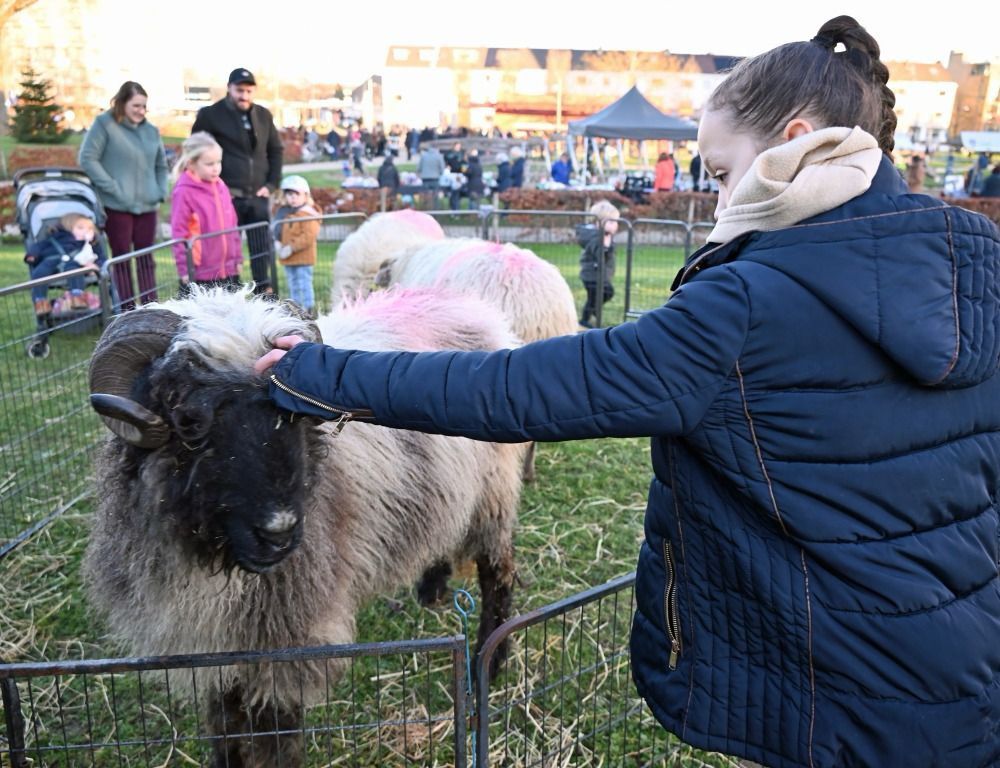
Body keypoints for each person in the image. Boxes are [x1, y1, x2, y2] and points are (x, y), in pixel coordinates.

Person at [254, 16, 1000, 768]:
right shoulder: (973, 263)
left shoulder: (747, 304)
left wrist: (324, 372)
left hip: (838, 685)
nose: (715, 201)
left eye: (718, 172)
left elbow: (523, 388)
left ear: (794, 140)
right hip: (967, 664)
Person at [191, 68, 282, 295]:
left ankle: (264, 292)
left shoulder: (263, 115)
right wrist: (212, 188)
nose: (244, 95)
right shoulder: (210, 115)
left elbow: (276, 150)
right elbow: (194, 151)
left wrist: (271, 184)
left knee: (261, 247)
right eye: (239, 90)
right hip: (225, 196)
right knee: (227, 248)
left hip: (257, 195)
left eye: (249, 91)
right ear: (229, 88)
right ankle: (229, 293)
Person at [78, 81, 167, 310]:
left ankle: (150, 309)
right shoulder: (104, 124)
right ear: (122, 103)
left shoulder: (151, 131)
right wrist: (113, 187)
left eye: (144, 106)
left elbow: (160, 164)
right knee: (122, 259)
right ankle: (127, 311)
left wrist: (159, 190)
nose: (141, 111)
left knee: (146, 259)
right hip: (116, 206)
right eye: (136, 105)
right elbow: (88, 158)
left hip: (147, 205)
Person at [169, 132, 242, 291]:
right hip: (201, 275)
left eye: (218, 162)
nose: (216, 168)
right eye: (209, 164)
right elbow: (178, 233)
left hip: (228, 270)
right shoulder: (184, 192)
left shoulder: (221, 186)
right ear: (191, 163)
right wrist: (184, 269)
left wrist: (237, 259)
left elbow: (233, 225)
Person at [24, 213, 105, 316]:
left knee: (76, 272)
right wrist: (32, 255)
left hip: (74, 264)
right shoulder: (55, 238)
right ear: (68, 228)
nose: (85, 231)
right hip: (51, 260)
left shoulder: (90, 244)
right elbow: (39, 246)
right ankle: (41, 302)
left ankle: (77, 297)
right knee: (39, 273)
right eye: (80, 228)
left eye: (89, 229)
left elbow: (101, 258)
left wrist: (95, 265)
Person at [272, 175, 320, 317]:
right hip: (288, 257)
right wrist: (278, 243)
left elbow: (307, 236)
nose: (292, 198)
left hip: (302, 257)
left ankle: (309, 311)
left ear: (305, 195)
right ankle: (296, 310)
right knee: (293, 284)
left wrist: (291, 247)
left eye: (296, 194)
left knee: (304, 284)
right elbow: (279, 230)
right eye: (289, 194)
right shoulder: (285, 213)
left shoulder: (308, 214)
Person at [577, 200, 619, 327]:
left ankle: (589, 315)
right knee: (604, 293)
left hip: (599, 275)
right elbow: (598, 254)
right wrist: (605, 247)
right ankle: (586, 317)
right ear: (598, 223)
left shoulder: (604, 235)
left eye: (616, 221)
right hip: (592, 275)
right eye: (611, 222)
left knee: (596, 297)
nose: (615, 225)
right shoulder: (595, 237)